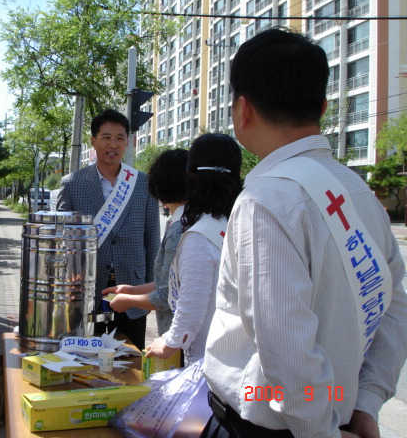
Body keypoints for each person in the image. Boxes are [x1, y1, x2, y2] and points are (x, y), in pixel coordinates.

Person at [201, 28, 407, 438]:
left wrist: (320, 432)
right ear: (324, 106)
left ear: (243, 109)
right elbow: (395, 307)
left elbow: (285, 348)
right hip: (340, 418)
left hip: (269, 428)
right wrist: (365, 404)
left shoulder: (265, 199)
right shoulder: (359, 192)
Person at [57, 109, 160, 350]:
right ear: (93, 141)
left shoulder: (142, 183)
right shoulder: (72, 184)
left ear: (128, 142)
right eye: (106, 137)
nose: (113, 144)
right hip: (85, 290)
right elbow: (62, 239)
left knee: (130, 359)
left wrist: (153, 287)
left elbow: (152, 238)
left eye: (119, 138)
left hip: (132, 290)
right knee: (84, 357)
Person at [144, 134, 242, 366]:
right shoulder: (234, 222)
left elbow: (191, 306)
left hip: (207, 360)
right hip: (236, 350)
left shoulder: (199, 234)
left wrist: (169, 342)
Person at [103, 148, 188, 336]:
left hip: (179, 336)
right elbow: (170, 282)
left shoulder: (179, 228)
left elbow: (167, 295)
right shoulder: (187, 220)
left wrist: (129, 300)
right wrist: (133, 290)